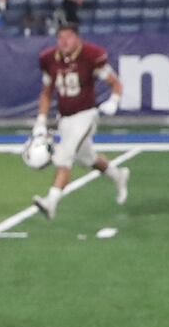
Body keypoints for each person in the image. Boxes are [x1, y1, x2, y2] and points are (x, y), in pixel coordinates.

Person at [31, 23, 128, 219]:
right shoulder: (50, 59)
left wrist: (114, 100)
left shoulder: (91, 55)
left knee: (64, 157)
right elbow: (47, 92)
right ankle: (118, 175)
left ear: (77, 38)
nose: (64, 41)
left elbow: (115, 82)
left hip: (86, 115)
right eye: (60, 37)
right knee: (88, 159)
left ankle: (51, 202)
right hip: (64, 118)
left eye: (68, 36)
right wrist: (41, 120)